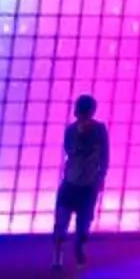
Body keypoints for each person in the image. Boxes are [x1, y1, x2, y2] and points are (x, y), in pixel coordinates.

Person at [51, 93, 109, 268]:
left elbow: (102, 156)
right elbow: (75, 151)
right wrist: (101, 176)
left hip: (77, 183)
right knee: (68, 222)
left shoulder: (92, 130)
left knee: (78, 222)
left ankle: (69, 252)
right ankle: (65, 254)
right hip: (79, 183)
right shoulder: (84, 130)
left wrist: (100, 176)